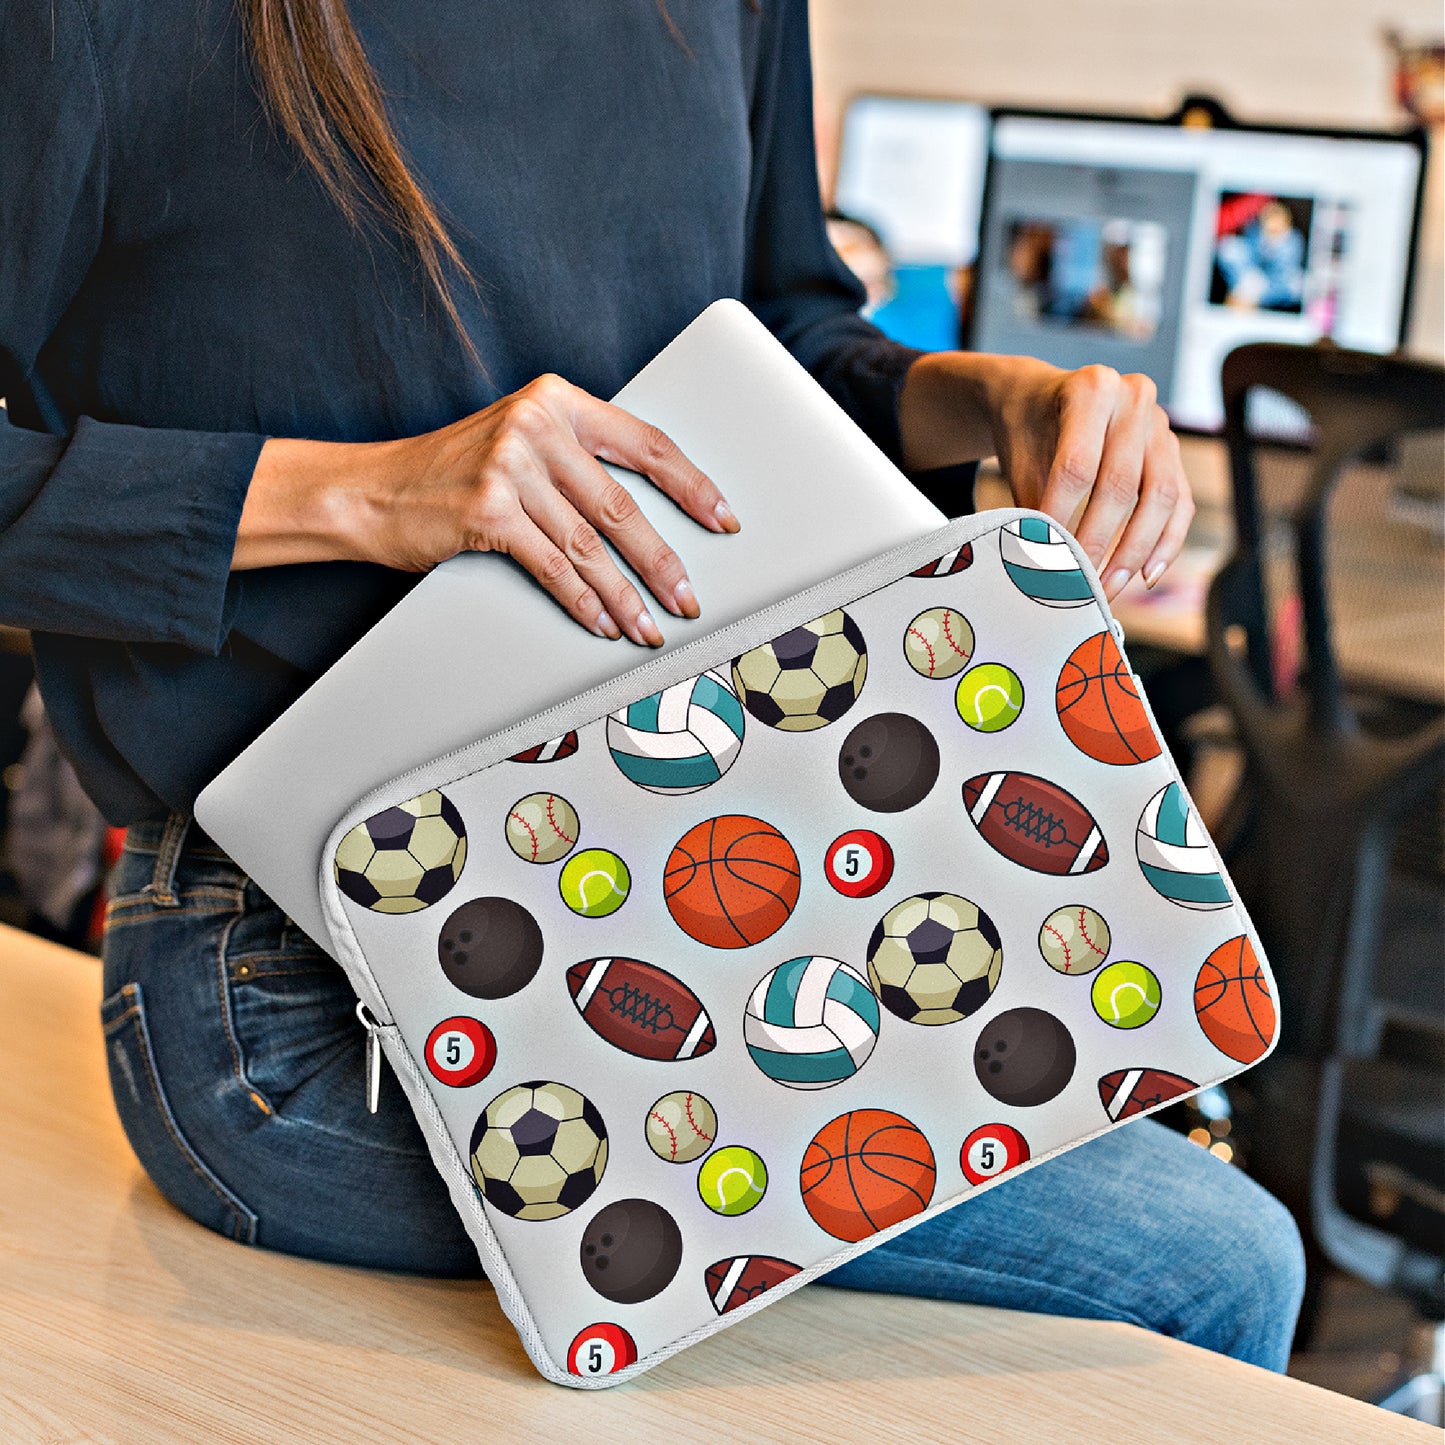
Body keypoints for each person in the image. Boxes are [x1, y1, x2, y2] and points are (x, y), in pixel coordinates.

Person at [0, 0, 1303, 1370]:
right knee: (1212, 1264)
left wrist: (989, 402)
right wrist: (368, 496)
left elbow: (780, 339)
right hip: (306, 982)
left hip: (707, 875)